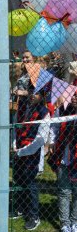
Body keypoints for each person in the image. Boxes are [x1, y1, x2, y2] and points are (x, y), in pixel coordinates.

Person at [12, 90, 54, 231]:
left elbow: (40, 139)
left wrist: (22, 152)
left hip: (31, 153)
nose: (32, 95)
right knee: (18, 179)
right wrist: (14, 145)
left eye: (36, 93)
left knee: (30, 183)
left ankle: (34, 216)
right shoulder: (24, 108)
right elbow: (15, 128)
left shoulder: (44, 112)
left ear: (42, 96)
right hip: (19, 150)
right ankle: (20, 208)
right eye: (31, 91)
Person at [48, 93, 77, 232]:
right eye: (73, 95)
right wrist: (53, 141)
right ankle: (65, 223)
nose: (74, 98)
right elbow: (54, 126)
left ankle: (75, 221)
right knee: (64, 190)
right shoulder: (63, 109)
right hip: (63, 155)